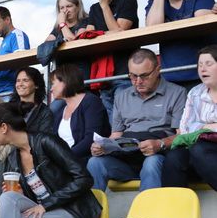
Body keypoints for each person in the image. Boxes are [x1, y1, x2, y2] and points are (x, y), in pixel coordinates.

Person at [87, 49, 186, 191]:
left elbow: (182, 135)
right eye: (133, 76)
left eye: (144, 76)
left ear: (158, 70)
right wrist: (102, 146)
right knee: (95, 162)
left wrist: (160, 144)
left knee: (152, 162)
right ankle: (91, 206)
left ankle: (147, 206)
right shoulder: (122, 96)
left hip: (157, 153)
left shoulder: (177, 93)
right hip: (127, 156)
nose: (138, 82)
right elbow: (116, 134)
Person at [145, 0, 217, 89]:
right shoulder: (155, 3)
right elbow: (153, 28)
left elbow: (201, 22)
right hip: (172, 77)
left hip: (204, 73)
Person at [85, 0, 139, 117]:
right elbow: (88, 36)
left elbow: (118, 32)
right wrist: (105, 33)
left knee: (124, 119)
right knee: (111, 122)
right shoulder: (94, 8)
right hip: (103, 76)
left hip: (125, 73)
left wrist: (104, 6)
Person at [162, 45, 217, 190]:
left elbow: (193, 127)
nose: (203, 69)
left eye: (209, 64)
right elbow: (185, 128)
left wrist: (203, 127)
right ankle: (175, 203)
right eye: (200, 65)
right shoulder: (195, 93)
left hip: (203, 148)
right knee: (174, 157)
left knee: (199, 149)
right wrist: (206, 127)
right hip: (200, 145)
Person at [51, 64, 110, 162]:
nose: (51, 89)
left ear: (65, 81)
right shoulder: (61, 110)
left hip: (85, 160)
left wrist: (64, 157)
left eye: (53, 83)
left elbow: (91, 139)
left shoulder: (91, 102)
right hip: (66, 162)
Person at [45, 0, 91, 78]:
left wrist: (62, 24)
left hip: (80, 70)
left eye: (69, 6)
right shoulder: (57, 28)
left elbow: (76, 43)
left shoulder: (86, 21)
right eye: (62, 8)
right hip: (61, 71)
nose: (65, 10)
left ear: (78, 7)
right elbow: (46, 45)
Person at [0, 6, 30, 96]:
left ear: (7, 20)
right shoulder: (5, 40)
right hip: (1, 92)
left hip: (12, 92)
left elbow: (22, 61)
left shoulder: (17, 35)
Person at [9, 67, 54, 134]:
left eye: (25, 80)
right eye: (18, 81)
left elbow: (44, 138)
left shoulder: (44, 113)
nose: (20, 84)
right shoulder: (9, 108)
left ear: (36, 85)